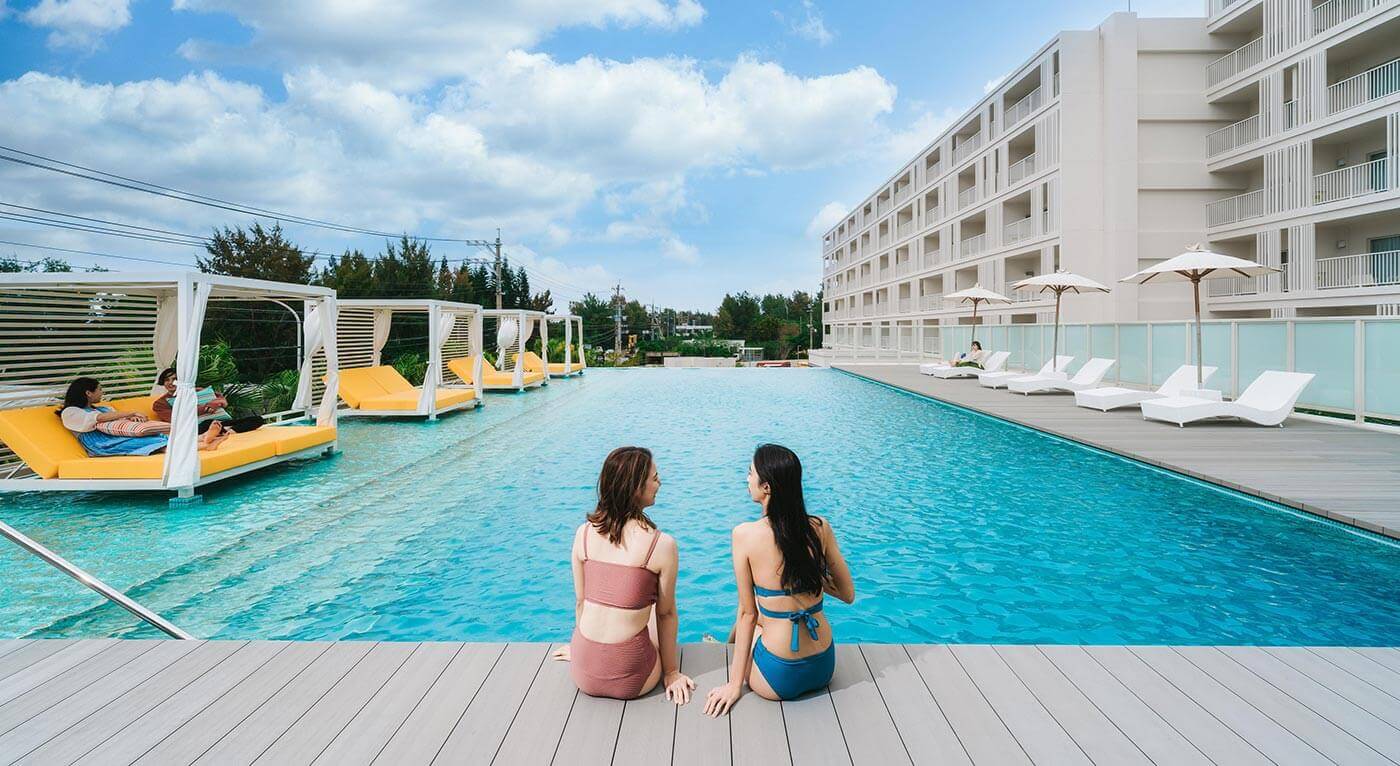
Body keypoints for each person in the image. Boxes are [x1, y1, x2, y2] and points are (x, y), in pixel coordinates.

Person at [704, 444, 854, 717]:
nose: (747, 479)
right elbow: (848, 594)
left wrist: (734, 685)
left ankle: (724, 649)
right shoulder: (820, 527)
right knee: (768, 609)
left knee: (750, 611)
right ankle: (727, 645)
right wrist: (809, 573)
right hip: (823, 667)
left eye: (750, 473)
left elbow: (747, 615)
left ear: (767, 487)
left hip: (779, 677)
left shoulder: (744, 535)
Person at [553, 446, 695, 704]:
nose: (660, 483)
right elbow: (666, 615)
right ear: (636, 488)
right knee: (655, 611)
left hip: (582, 672)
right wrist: (671, 672)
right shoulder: (661, 544)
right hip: (632, 679)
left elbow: (581, 603)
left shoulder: (583, 534)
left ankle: (589, 652)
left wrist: (583, 648)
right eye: (655, 478)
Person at [57, 377, 227, 457]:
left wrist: (133, 420)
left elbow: (115, 420)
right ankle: (203, 444)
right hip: (102, 443)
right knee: (151, 442)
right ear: (88, 393)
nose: (102, 392)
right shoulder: (70, 412)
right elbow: (97, 419)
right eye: (99, 389)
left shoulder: (103, 408)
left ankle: (202, 440)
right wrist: (130, 413)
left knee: (156, 436)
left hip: (118, 435)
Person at [152, 368, 264, 434]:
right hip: (195, 428)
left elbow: (223, 401)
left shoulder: (197, 391)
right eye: (167, 380)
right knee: (208, 423)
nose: (170, 383)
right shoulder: (160, 403)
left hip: (219, 422)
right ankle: (226, 430)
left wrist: (215, 403)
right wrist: (206, 407)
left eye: (174, 379)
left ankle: (227, 431)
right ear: (163, 382)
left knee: (257, 419)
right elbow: (176, 418)